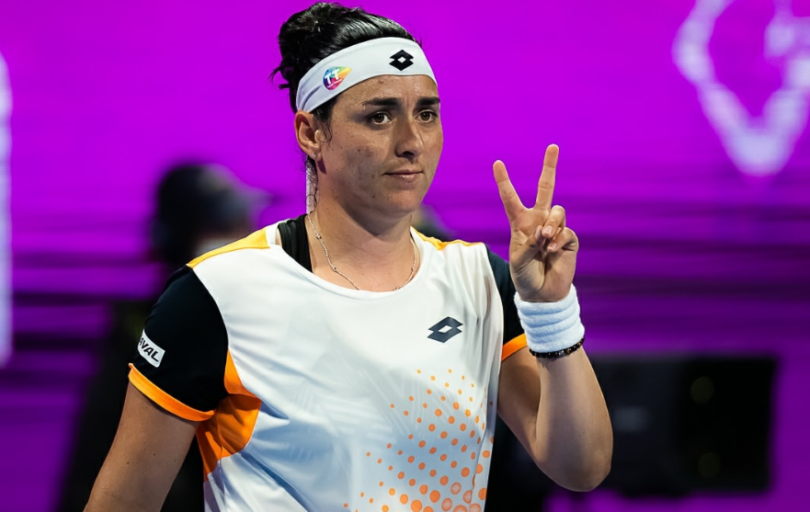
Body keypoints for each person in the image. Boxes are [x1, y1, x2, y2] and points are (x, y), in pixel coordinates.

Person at [84, 3, 612, 511]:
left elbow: (581, 467)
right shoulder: (216, 295)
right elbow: (123, 501)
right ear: (311, 133)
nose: (412, 141)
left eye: (426, 114)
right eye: (379, 116)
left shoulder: (481, 280)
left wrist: (551, 310)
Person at [59, 163, 257, 512]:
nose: (245, 236)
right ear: (182, 239)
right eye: (224, 225)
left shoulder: (272, 324)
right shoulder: (140, 338)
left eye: (244, 221)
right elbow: (94, 470)